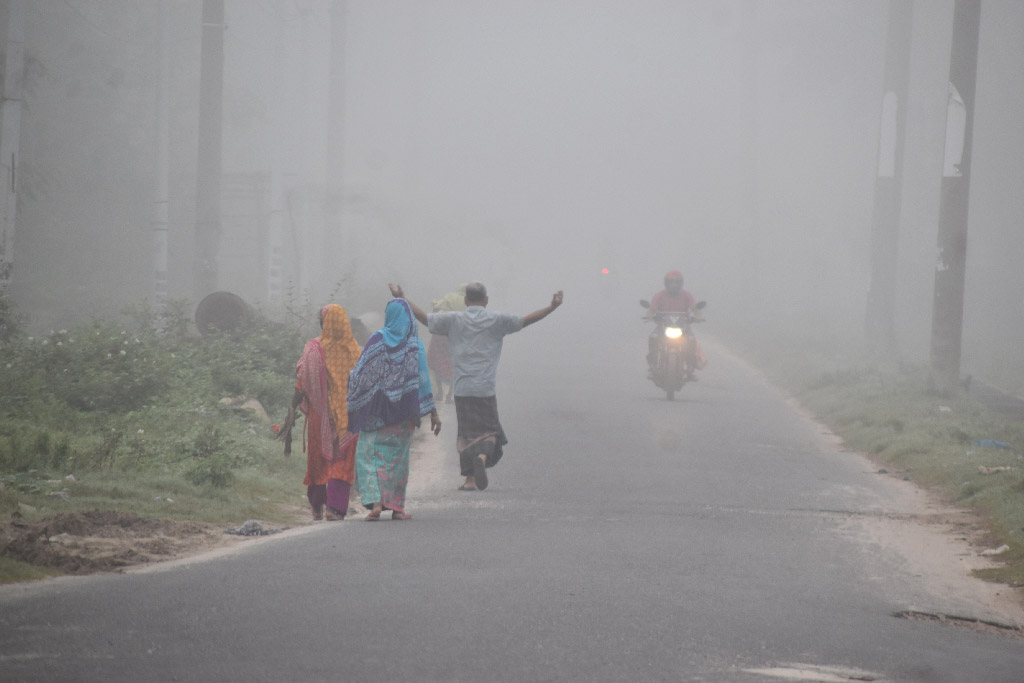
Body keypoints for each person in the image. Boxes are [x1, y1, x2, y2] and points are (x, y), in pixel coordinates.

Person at [389, 281, 563, 491]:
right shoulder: (497, 320)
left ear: (465, 300)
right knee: (490, 431)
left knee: (466, 433)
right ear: (486, 300)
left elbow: (425, 319)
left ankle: (469, 480)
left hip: (462, 388)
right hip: (485, 388)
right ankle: (481, 456)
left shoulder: (453, 319)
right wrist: (551, 307)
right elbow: (526, 320)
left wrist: (402, 297)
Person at [347, 298, 441, 521]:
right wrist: (433, 413)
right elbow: (424, 381)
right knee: (397, 461)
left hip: (375, 415)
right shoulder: (415, 344)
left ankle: (376, 504)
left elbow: (360, 374)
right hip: (403, 416)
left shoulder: (377, 340)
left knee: (368, 457)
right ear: (408, 319)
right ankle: (397, 509)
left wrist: (355, 399)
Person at [280, 304, 362, 521]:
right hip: (348, 417)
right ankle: (334, 509)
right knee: (342, 462)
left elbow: (301, 384)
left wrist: (291, 413)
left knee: (318, 461)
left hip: (319, 417)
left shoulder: (314, 348)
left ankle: (317, 506)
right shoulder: (355, 350)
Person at [646, 270, 705, 378]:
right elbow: (651, 309)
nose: (674, 285)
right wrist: (649, 315)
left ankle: (690, 367)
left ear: (681, 283)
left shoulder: (686, 295)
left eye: (676, 282)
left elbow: (694, 308)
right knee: (653, 337)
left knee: (691, 340)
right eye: (671, 282)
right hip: (663, 326)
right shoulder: (659, 295)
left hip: (683, 326)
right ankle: (653, 365)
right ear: (666, 283)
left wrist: (698, 316)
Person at [425, 286, 466, 403]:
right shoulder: (467, 301)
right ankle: (449, 395)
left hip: (439, 335)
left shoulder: (448, 298)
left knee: (436, 361)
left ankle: (439, 392)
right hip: (454, 337)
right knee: (454, 364)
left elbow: (434, 310)